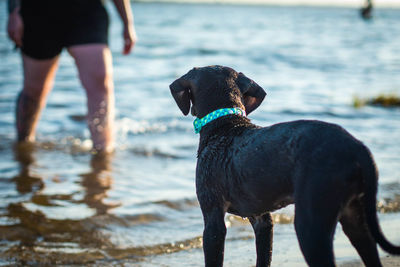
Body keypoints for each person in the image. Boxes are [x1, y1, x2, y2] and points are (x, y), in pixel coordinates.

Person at [7, 0, 137, 153]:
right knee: (34, 90)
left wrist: (127, 22)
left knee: (100, 82)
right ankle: (23, 148)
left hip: (87, 12)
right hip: (38, 12)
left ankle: (102, 154)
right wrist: (14, 12)